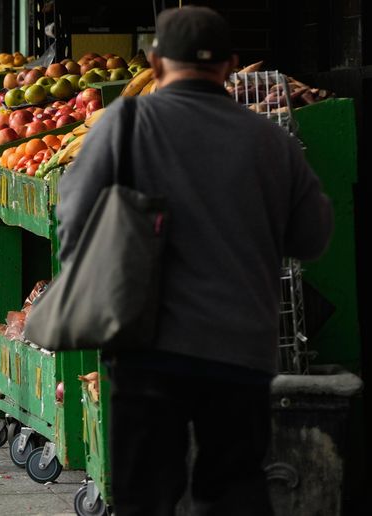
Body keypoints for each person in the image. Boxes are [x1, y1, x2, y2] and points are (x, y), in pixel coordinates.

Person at [55, 7, 333, 515]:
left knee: (145, 492)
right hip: (241, 349)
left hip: (146, 344)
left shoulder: (126, 122)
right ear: (230, 65)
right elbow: (312, 236)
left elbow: (72, 216)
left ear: (157, 63)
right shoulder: (269, 139)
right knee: (232, 490)